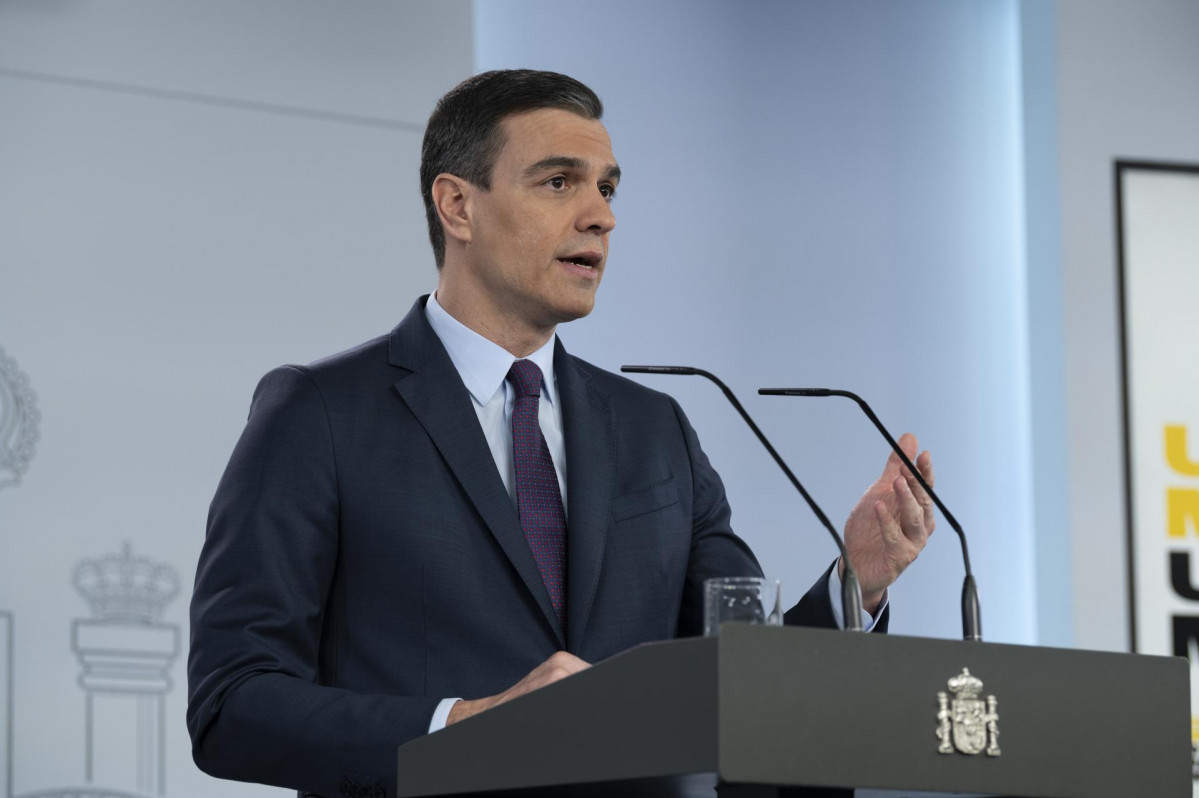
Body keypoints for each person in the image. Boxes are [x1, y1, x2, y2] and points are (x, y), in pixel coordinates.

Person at [187, 69, 934, 797]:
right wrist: (463, 725)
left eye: (606, 188)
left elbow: (738, 677)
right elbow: (233, 702)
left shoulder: (653, 429)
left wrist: (853, 583)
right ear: (457, 206)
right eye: (557, 182)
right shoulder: (320, 414)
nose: (600, 215)